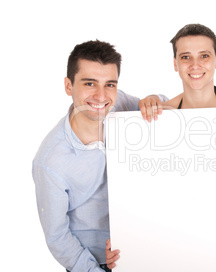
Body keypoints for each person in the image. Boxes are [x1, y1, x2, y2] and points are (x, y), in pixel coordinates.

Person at [105, 23, 216, 269]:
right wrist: (126, 243)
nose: (195, 66)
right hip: (175, 252)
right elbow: (141, 195)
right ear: (175, 63)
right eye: (186, 57)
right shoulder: (154, 120)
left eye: (204, 56)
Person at [32, 40, 166, 272]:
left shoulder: (117, 103)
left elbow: (165, 111)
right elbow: (57, 237)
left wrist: (154, 98)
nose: (101, 96)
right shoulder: (50, 162)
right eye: (90, 83)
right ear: (68, 85)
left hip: (146, 245)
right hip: (95, 262)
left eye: (110, 84)